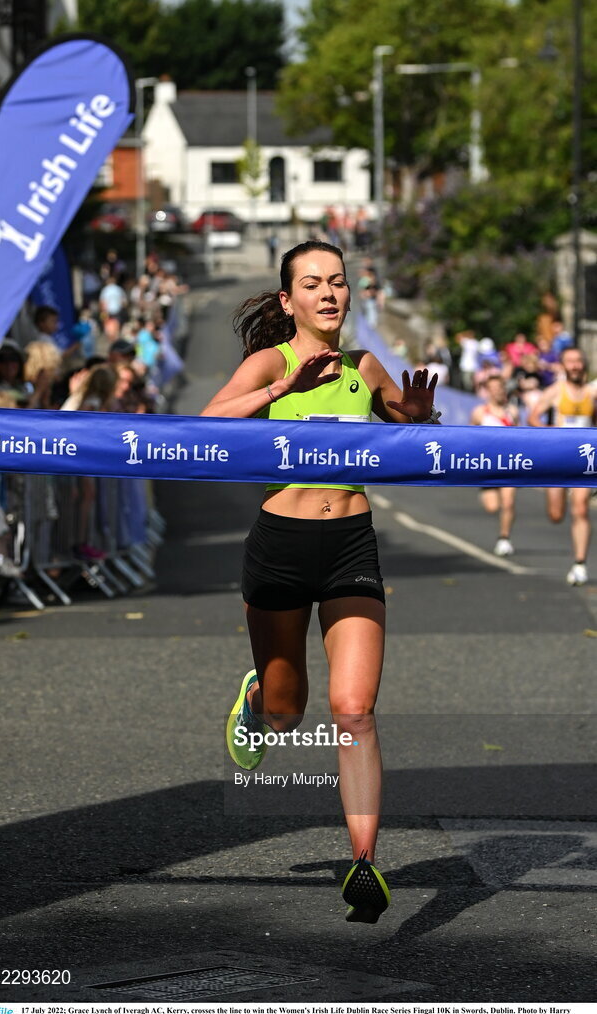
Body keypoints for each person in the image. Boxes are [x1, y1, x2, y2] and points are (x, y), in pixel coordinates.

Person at [201, 240, 438, 923]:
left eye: (338, 282)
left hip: (350, 545)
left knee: (355, 709)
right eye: (314, 284)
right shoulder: (268, 361)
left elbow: (401, 422)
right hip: (280, 546)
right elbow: (204, 423)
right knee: (288, 711)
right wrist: (282, 390)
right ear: (288, 300)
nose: (330, 294)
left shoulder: (366, 366)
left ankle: (364, 862)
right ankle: (257, 703)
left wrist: (414, 416)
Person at [528, 347, 597, 586]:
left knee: (580, 509)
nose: (576, 366)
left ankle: (580, 564)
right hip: (559, 459)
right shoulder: (555, 391)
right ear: (563, 366)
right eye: (571, 362)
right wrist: (552, 434)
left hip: (584, 462)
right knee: (556, 515)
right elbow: (533, 417)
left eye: (579, 361)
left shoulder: (592, 393)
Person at [470, 375, 520, 556]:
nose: (498, 390)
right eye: (494, 388)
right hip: (487, 467)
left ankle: (504, 539)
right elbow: (469, 437)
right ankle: (485, 493)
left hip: (508, 465)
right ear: (488, 391)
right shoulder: (479, 412)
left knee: (508, 502)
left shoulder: (512, 411)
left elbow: (521, 437)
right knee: (492, 507)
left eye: (501, 387)